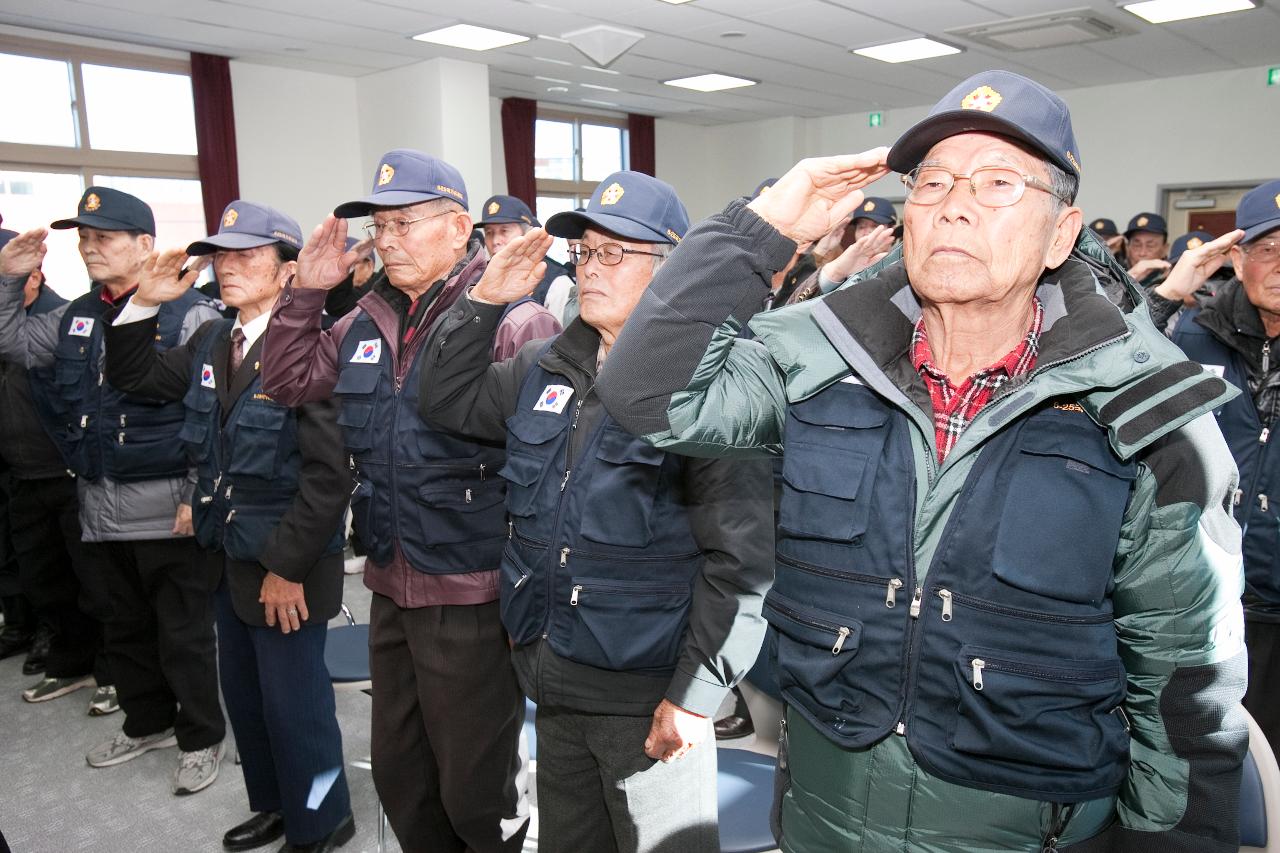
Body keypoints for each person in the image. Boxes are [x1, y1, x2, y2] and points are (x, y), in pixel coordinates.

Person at [596, 69, 1248, 852]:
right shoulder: (823, 359)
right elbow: (646, 393)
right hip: (823, 821)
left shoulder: (1147, 414)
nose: (955, 203)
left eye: (999, 182)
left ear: (1062, 233)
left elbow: (1185, 686)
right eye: (932, 182)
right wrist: (762, 228)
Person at [420, 169, 774, 853]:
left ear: (671, 271)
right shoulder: (544, 367)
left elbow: (743, 564)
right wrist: (483, 300)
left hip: (648, 696)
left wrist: (696, 693)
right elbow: (443, 400)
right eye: (586, 252)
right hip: (552, 677)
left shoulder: (709, 384)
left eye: (616, 252)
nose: (591, 268)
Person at [260, 149, 559, 853]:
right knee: (401, 771)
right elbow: (287, 380)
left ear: (460, 229)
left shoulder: (514, 319)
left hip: (474, 586)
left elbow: (549, 471)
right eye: (380, 225)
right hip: (393, 581)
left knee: (477, 787)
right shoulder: (366, 318)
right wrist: (306, 291)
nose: (387, 238)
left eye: (405, 222)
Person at [103, 201, 356, 852]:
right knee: (248, 700)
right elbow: (136, 375)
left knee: (297, 707)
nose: (229, 266)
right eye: (223, 255)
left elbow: (329, 475)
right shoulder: (219, 336)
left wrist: (286, 567)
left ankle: (324, 818)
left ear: (288, 270)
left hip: (286, 563)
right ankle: (275, 805)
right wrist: (141, 303)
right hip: (226, 552)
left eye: (247, 255)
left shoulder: (310, 345)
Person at [0, 187, 227, 795]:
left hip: (167, 505)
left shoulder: (190, 314)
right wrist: (6, 282)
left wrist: (196, 491)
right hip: (97, 505)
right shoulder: (76, 314)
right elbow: (13, 343)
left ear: (145, 245)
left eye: (104, 238)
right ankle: (146, 720)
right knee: (122, 628)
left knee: (182, 634)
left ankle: (202, 735)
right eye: (84, 239)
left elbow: (210, 413)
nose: (90, 248)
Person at [1171, 179, 1280, 757]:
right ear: (1237, 259)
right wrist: (1165, 295)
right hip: (1200, 604)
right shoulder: (1192, 334)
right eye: (1268, 249)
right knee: (1202, 766)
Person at [0, 229, 112, 711]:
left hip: (68, 473)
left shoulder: (65, 318)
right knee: (45, 582)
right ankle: (71, 664)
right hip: (22, 477)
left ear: (35, 276)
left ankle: (113, 670)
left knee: (96, 583)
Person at [476, 194, 574, 322]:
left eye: (504, 231)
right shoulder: (480, 279)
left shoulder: (556, 283)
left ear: (527, 233)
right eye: (489, 233)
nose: (495, 241)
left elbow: (561, 340)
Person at [1124, 211, 1171, 285]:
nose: (1142, 253)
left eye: (1150, 246)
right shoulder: (1113, 277)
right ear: (1127, 248)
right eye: (1137, 245)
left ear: (1165, 249)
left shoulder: (1171, 282)